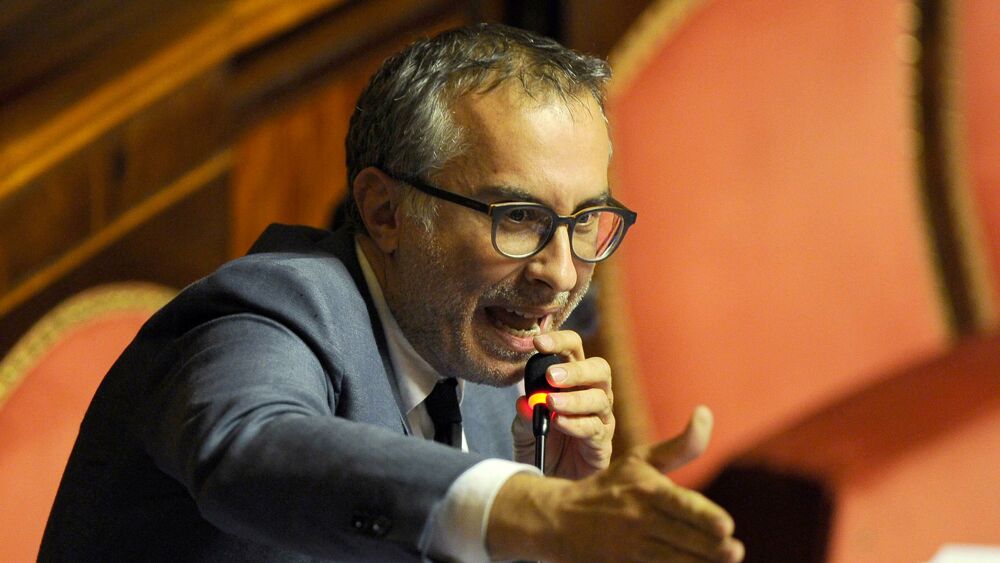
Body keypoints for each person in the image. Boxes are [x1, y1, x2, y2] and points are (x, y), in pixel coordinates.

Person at [40, 23, 743, 562]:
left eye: (584, 220)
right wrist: (534, 511)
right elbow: (251, 447)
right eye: (517, 217)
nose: (560, 272)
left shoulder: (494, 355)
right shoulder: (263, 318)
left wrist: (560, 509)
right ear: (385, 211)